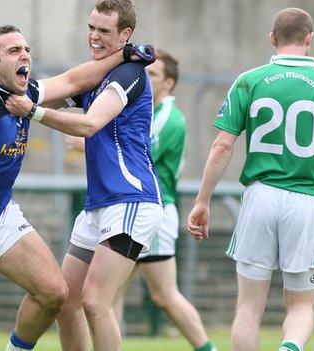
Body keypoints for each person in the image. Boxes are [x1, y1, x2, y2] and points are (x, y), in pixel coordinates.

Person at [0, 3, 155, 351]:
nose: (25, 56)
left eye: (27, 49)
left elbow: (74, 80)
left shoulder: (26, 94)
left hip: (1, 218)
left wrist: (124, 54)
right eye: (14, 50)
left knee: (55, 293)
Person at [187, 7, 314, 351]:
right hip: (308, 200)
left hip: (260, 197)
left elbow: (222, 146)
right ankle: (289, 347)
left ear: (272, 39)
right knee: (302, 305)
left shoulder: (250, 80)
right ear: (309, 39)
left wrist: (202, 200)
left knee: (248, 307)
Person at [6, 1, 163, 350]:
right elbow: (53, 89)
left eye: (104, 31)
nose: (94, 36)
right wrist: (2, 81)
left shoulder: (130, 74)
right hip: (99, 205)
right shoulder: (97, 72)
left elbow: (90, 124)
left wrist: (32, 112)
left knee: (95, 302)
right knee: (66, 301)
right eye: (91, 27)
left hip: (131, 199)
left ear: (126, 35)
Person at [112, 51, 217, 351]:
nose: (146, 78)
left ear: (169, 83)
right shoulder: (149, 112)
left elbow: (139, 153)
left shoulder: (170, 118)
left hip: (154, 211)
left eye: (154, 74)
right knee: (108, 293)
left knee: (164, 296)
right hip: (136, 209)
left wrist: (87, 140)